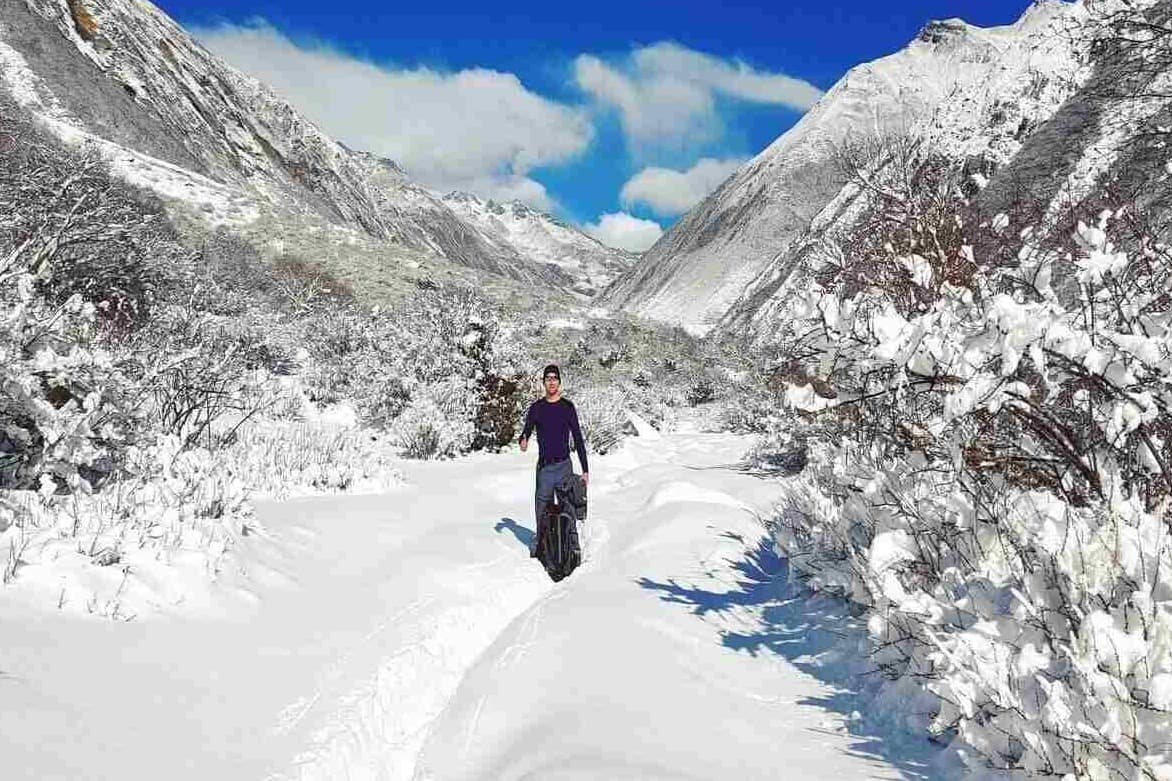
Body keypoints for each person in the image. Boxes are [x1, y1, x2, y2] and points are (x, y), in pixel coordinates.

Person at [519, 364, 589, 556]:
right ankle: (542, 547)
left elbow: (578, 438)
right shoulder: (537, 408)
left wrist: (585, 470)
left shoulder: (567, 407)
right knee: (542, 510)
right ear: (544, 382)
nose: (551, 382)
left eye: (554, 378)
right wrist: (523, 440)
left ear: (559, 382)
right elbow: (526, 431)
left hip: (564, 467)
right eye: (548, 378)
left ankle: (573, 548)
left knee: (569, 509)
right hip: (545, 470)